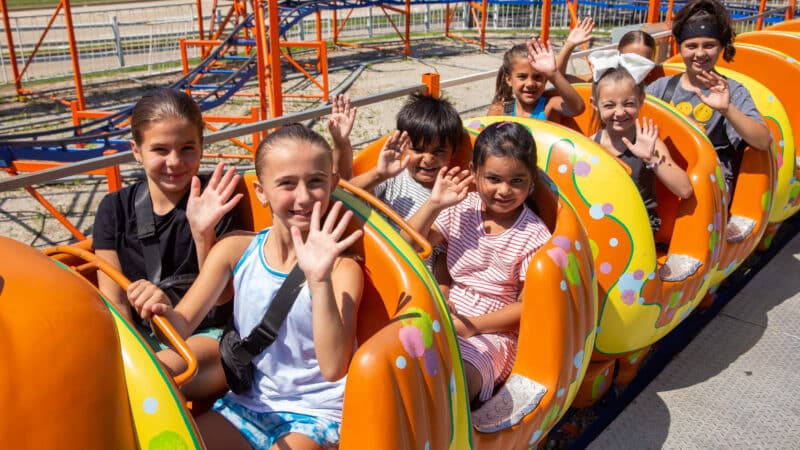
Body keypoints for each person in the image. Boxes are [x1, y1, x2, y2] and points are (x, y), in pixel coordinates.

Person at [128, 124, 364, 450]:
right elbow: (180, 324)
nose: (303, 196)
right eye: (286, 184)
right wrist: (158, 307)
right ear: (261, 191)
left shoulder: (342, 269)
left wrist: (318, 279)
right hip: (250, 402)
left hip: (313, 412)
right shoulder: (235, 249)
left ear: (333, 184)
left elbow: (334, 366)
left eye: (315, 182)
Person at [93, 88, 242, 400]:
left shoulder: (218, 198)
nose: (175, 162)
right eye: (160, 150)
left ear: (202, 146)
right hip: (143, 334)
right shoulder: (114, 209)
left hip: (209, 334)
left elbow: (223, 299)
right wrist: (133, 348)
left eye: (187, 148)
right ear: (136, 150)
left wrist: (204, 234)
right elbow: (116, 302)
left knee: (150, 377)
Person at [404, 121, 552, 404]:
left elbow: (526, 306)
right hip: (448, 310)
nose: (505, 190)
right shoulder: (462, 208)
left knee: (454, 381)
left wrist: (470, 326)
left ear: (531, 180)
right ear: (474, 173)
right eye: (494, 179)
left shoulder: (534, 235)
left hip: (494, 333)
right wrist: (434, 204)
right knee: (403, 358)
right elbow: (407, 244)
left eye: (517, 181)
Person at [646, 0, 771, 201]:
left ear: (721, 46)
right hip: (664, 169)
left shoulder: (734, 92)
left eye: (709, 45)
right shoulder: (661, 88)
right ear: (679, 47)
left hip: (708, 177)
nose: (700, 53)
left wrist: (727, 109)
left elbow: (763, 141)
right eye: (692, 46)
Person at [589, 49, 694, 232]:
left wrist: (650, 159)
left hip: (640, 227)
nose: (620, 112)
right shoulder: (589, 145)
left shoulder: (649, 143)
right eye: (609, 105)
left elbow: (684, 189)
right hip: (602, 224)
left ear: (641, 101)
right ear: (595, 105)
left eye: (628, 103)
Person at [348, 93, 464, 221]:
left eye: (439, 151)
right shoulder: (392, 177)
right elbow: (345, 193)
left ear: (453, 152)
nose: (428, 159)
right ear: (403, 147)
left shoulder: (450, 196)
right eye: (418, 149)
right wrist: (379, 174)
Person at [488, 37, 585, 119]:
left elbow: (577, 108)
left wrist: (553, 74)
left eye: (537, 77)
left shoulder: (549, 106)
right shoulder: (499, 110)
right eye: (522, 77)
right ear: (509, 79)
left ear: (545, 79)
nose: (530, 84)